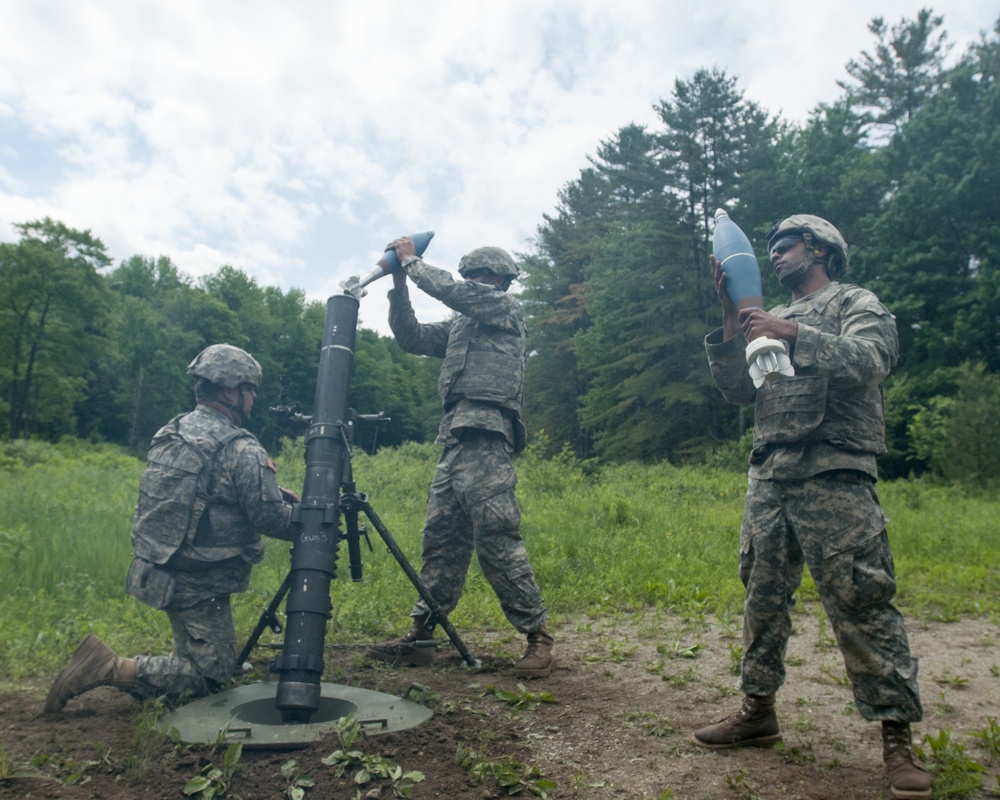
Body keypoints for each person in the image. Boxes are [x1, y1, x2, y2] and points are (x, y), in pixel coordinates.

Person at [693, 215, 932, 800]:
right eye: (768, 247)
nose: (774, 254)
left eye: (786, 244)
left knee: (862, 597)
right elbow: (738, 391)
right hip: (771, 474)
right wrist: (732, 317)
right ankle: (757, 712)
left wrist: (792, 333)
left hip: (835, 470)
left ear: (820, 249)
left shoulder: (854, 301)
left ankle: (896, 737)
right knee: (762, 596)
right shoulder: (764, 315)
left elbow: (873, 360)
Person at [45, 344, 297, 712]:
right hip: (198, 582)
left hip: (161, 567)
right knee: (211, 677)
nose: (253, 398)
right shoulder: (241, 448)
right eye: (249, 389)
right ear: (230, 391)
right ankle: (106, 666)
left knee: (209, 655)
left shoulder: (173, 430)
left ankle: (183, 658)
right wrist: (313, 520)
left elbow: (205, 494)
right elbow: (270, 519)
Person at [366, 237, 553, 678]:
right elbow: (410, 337)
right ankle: (424, 635)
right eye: (469, 276)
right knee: (441, 540)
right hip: (453, 441)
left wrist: (412, 262)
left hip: (488, 436)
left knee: (496, 536)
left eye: (480, 277)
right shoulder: (459, 328)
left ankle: (538, 636)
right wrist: (399, 281)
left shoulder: (506, 311)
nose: (472, 283)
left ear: (500, 282)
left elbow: (454, 292)